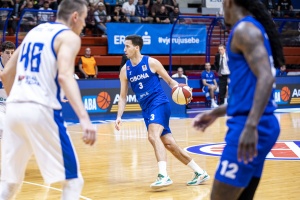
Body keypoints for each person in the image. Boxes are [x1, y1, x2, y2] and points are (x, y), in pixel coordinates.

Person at [0, 0, 97, 199]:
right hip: (41, 109)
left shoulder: (34, 32)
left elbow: (6, 73)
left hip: (13, 110)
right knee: (74, 181)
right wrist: (84, 118)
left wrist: (16, 101)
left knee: (10, 183)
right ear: (75, 17)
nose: (85, 24)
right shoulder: (68, 37)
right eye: (85, 19)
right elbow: (64, 76)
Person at [193, 0, 285, 199]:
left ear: (229, 2)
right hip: (257, 124)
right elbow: (248, 91)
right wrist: (217, 111)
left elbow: (266, 77)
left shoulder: (245, 30)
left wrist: (251, 126)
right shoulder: (249, 28)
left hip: (251, 126)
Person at [115, 35, 209, 189]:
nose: (124, 49)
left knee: (152, 136)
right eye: (124, 46)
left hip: (159, 102)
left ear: (136, 47)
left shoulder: (151, 62)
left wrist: (185, 89)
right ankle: (200, 172)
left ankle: (163, 175)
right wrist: (119, 116)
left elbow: (171, 82)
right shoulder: (125, 70)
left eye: (127, 46)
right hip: (146, 108)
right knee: (169, 144)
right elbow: (123, 97)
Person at [0, 41, 15, 138]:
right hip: (0, 104)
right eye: (7, 53)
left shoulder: (18, 66)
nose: (10, 56)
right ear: (1, 53)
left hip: (13, 105)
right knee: (3, 130)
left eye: (12, 53)